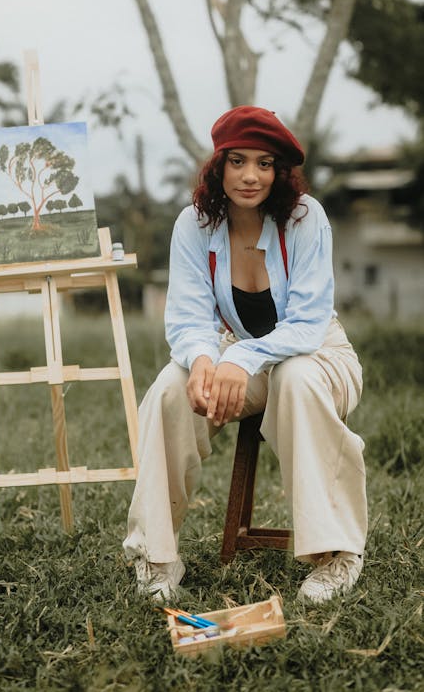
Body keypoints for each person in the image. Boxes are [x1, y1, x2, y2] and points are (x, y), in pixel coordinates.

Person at [123, 106, 367, 604]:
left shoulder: (304, 217)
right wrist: (204, 360)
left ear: (279, 172)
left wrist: (240, 359)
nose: (250, 176)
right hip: (236, 354)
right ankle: (157, 554)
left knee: (296, 378)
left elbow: (306, 322)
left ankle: (337, 554)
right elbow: (189, 317)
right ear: (218, 166)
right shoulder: (193, 224)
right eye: (237, 161)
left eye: (263, 163)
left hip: (319, 353)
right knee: (170, 388)